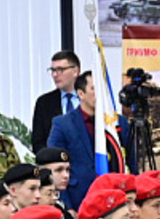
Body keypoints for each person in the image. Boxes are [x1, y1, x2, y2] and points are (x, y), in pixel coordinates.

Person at [48, 72, 129, 211]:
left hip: (116, 196)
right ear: (81, 93)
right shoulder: (63, 123)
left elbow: (131, 160)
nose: (99, 94)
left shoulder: (118, 122)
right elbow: (53, 167)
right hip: (78, 198)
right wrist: (67, 206)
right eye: (94, 89)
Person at [32, 50, 82, 152]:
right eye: (53, 70)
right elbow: (38, 142)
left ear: (75, 71)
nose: (55, 75)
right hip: (56, 164)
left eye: (60, 70)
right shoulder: (44, 103)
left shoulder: (90, 98)